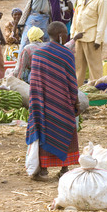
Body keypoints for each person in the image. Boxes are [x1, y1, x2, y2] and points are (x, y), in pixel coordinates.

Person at [26, 21, 80, 181]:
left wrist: (35, 104)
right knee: (65, 130)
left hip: (42, 104)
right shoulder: (67, 54)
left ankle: (43, 170)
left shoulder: (38, 54)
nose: (67, 36)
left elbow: (34, 83)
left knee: (44, 133)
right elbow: (72, 81)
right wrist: (75, 102)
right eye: (65, 33)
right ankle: (64, 168)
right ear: (60, 35)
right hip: (62, 103)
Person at [70, 0, 107, 86]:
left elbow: (102, 21)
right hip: (79, 38)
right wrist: (72, 35)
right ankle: (77, 91)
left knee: (95, 68)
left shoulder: (102, 0)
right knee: (78, 67)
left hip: (92, 39)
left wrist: (98, 40)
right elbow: (75, 17)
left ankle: (97, 90)